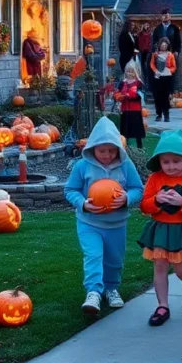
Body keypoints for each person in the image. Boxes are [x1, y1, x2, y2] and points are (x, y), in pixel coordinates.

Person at [64, 116, 144, 315]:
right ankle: (93, 292)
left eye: (111, 150)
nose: (107, 155)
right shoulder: (82, 166)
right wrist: (82, 203)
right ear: (93, 149)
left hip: (117, 223)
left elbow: (138, 188)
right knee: (93, 255)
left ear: (119, 148)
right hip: (89, 222)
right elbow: (70, 190)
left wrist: (127, 198)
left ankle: (111, 288)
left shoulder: (126, 166)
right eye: (102, 151)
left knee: (114, 259)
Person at [138, 129, 182, 326]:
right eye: (166, 162)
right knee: (159, 266)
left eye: (176, 161)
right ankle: (162, 306)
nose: (170, 166)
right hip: (160, 229)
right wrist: (156, 200)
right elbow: (144, 206)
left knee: (181, 268)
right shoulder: (155, 179)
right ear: (159, 161)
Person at [117, 61, 145, 149]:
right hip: (125, 109)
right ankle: (125, 145)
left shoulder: (138, 83)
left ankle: (139, 146)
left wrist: (131, 96)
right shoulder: (123, 83)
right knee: (125, 129)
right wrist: (118, 97)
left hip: (135, 110)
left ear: (135, 72)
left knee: (137, 129)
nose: (129, 73)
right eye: (128, 71)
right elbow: (117, 92)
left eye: (131, 71)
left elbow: (140, 95)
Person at [151, 9, 182, 90]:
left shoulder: (174, 28)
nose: (165, 18)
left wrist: (177, 51)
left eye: (167, 16)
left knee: (170, 72)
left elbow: (178, 41)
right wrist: (155, 51)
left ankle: (170, 92)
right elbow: (154, 41)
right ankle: (160, 91)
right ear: (161, 17)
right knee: (160, 72)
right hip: (160, 55)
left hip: (170, 54)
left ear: (170, 17)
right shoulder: (158, 28)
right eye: (164, 16)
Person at [149, 37, 176, 122]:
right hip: (158, 77)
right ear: (159, 45)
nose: (163, 46)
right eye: (162, 45)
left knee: (165, 97)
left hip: (166, 77)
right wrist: (155, 70)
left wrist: (170, 70)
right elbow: (152, 64)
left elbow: (173, 66)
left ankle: (166, 114)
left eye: (165, 45)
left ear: (167, 46)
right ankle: (159, 114)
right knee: (157, 97)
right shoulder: (155, 54)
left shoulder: (170, 55)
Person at [21, 29, 47, 95]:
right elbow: (30, 55)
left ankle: (38, 94)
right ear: (29, 35)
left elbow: (42, 54)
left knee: (38, 80)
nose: (36, 35)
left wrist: (38, 56)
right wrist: (37, 57)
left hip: (37, 66)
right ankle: (32, 95)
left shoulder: (36, 43)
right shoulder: (27, 42)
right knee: (32, 80)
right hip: (30, 65)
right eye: (34, 33)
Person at [137, 22, 153, 88]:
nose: (147, 26)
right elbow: (140, 42)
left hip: (148, 51)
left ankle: (147, 83)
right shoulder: (141, 33)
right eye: (145, 25)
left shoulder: (149, 33)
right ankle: (143, 82)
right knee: (143, 66)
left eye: (148, 25)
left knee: (148, 67)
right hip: (143, 51)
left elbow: (150, 42)